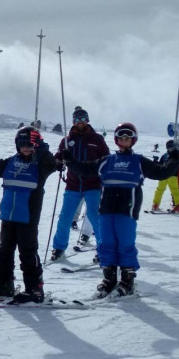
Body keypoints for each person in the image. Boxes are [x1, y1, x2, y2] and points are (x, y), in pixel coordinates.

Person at [64, 122, 179, 298]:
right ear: (117, 140)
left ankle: (127, 280)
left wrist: (174, 156)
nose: (124, 141)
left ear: (133, 140)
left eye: (128, 138)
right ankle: (109, 278)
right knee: (106, 243)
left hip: (127, 208)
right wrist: (69, 159)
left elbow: (162, 172)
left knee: (125, 243)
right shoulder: (107, 161)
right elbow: (86, 169)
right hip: (106, 208)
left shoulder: (139, 161)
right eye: (121, 138)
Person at [0, 126, 57, 304]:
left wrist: (42, 146)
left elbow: (52, 164)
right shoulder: (10, 162)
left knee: (27, 253)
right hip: (8, 216)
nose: (27, 147)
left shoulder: (40, 166)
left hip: (27, 218)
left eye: (30, 144)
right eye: (22, 144)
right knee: (4, 251)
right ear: (17, 145)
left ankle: (35, 289)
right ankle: (5, 285)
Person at [49, 106, 109, 261]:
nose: (80, 122)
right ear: (73, 122)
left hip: (93, 185)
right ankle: (58, 247)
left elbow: (106, 158)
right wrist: (58, 162)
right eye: (77, 119)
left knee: (95, 217)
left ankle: (104, 249)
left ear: (87, 120)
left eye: (83, 119)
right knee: (65, 217)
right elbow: (59, 155)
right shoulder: (68, 140)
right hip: (73, 184)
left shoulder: (97, 139)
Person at [150, 140, 179, 212]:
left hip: (173, 175)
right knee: (159, 189)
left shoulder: (176, 154)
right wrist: (155, 161)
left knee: (174, 190)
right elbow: (160, 164)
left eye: (172, 146)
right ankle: (155, 204)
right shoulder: (164, 155)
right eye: (169, 147)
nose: (170, 148)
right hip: (163, 175)